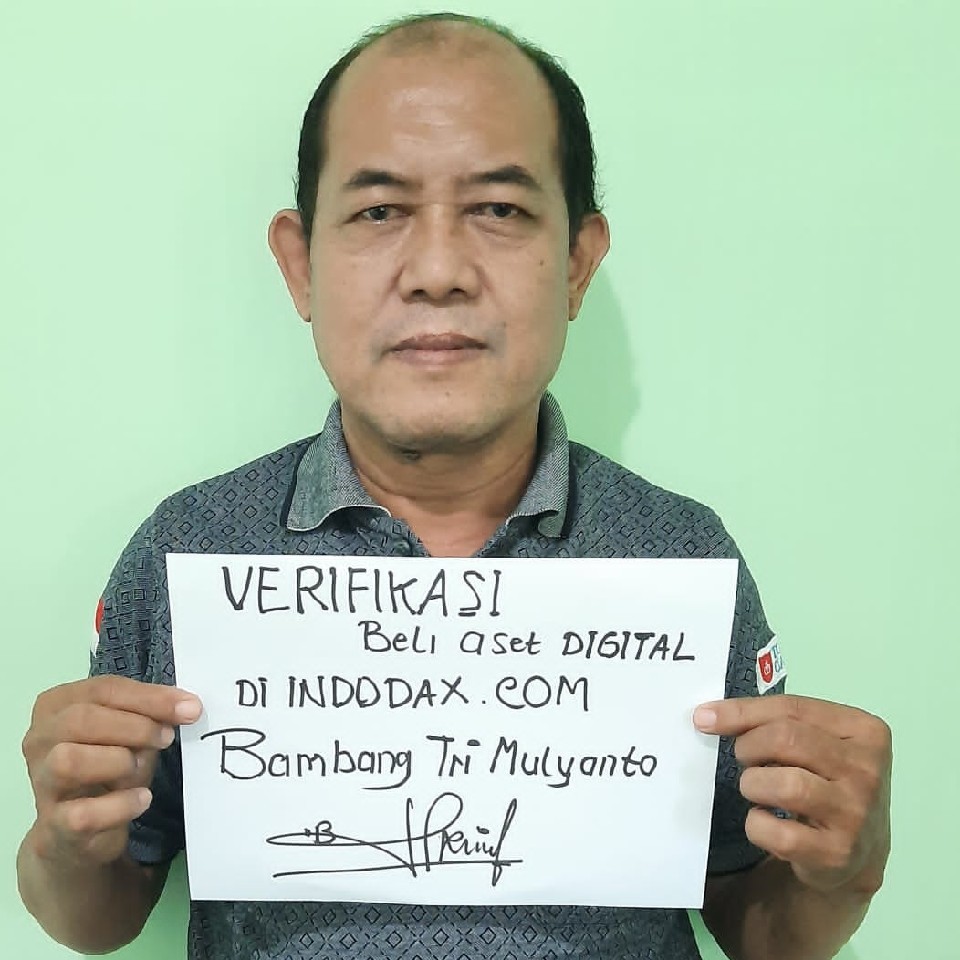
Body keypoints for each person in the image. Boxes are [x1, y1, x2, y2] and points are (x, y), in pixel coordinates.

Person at [17, 12, 891, 960]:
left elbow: (755, 920)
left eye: (500, 210)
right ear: (300, 263)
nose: (437, 272)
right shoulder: (188, 549)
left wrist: (844, 873)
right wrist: (67, 845)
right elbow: (100, 914)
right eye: (378, 211)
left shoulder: (680, 557)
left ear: (578, 261)